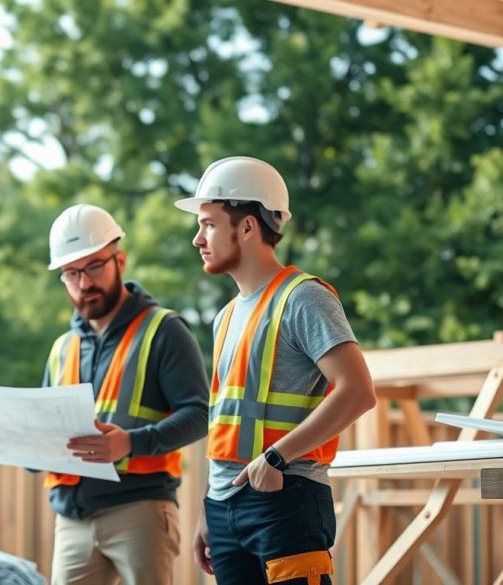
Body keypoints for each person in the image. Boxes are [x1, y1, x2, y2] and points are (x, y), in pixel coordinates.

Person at [174, 156, 376, 585]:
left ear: (247, 227)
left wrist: (276, 456)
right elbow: (226, 422)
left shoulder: (304, 298)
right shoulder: (225, 317)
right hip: (226, 507)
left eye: (209, 223)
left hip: (286, 497)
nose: (198, 238)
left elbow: (357, 391)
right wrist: (211, 505)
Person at [42, 203, 209, 585]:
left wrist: (130, 444)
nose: (85, 283)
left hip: (140, 510)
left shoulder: (164, 330)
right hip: (71, 519)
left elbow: (199, 414)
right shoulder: (61, 348)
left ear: (121, 260)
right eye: (72, 273)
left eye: (95, 266)